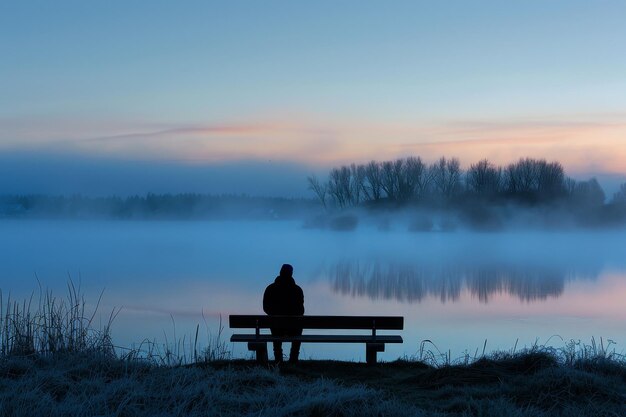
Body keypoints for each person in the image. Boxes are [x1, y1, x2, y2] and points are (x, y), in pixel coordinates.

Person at [263, 264, 304, 363]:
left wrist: (275, 314)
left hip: (276, 328)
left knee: (275, 326)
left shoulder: (270, 289)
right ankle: (293, 358)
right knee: (298, 327)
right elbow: (301, 311)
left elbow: (265, 308)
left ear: (280, 272)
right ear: (291, 274)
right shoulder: (297, 290)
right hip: (293, 328)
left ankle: (278, 358)